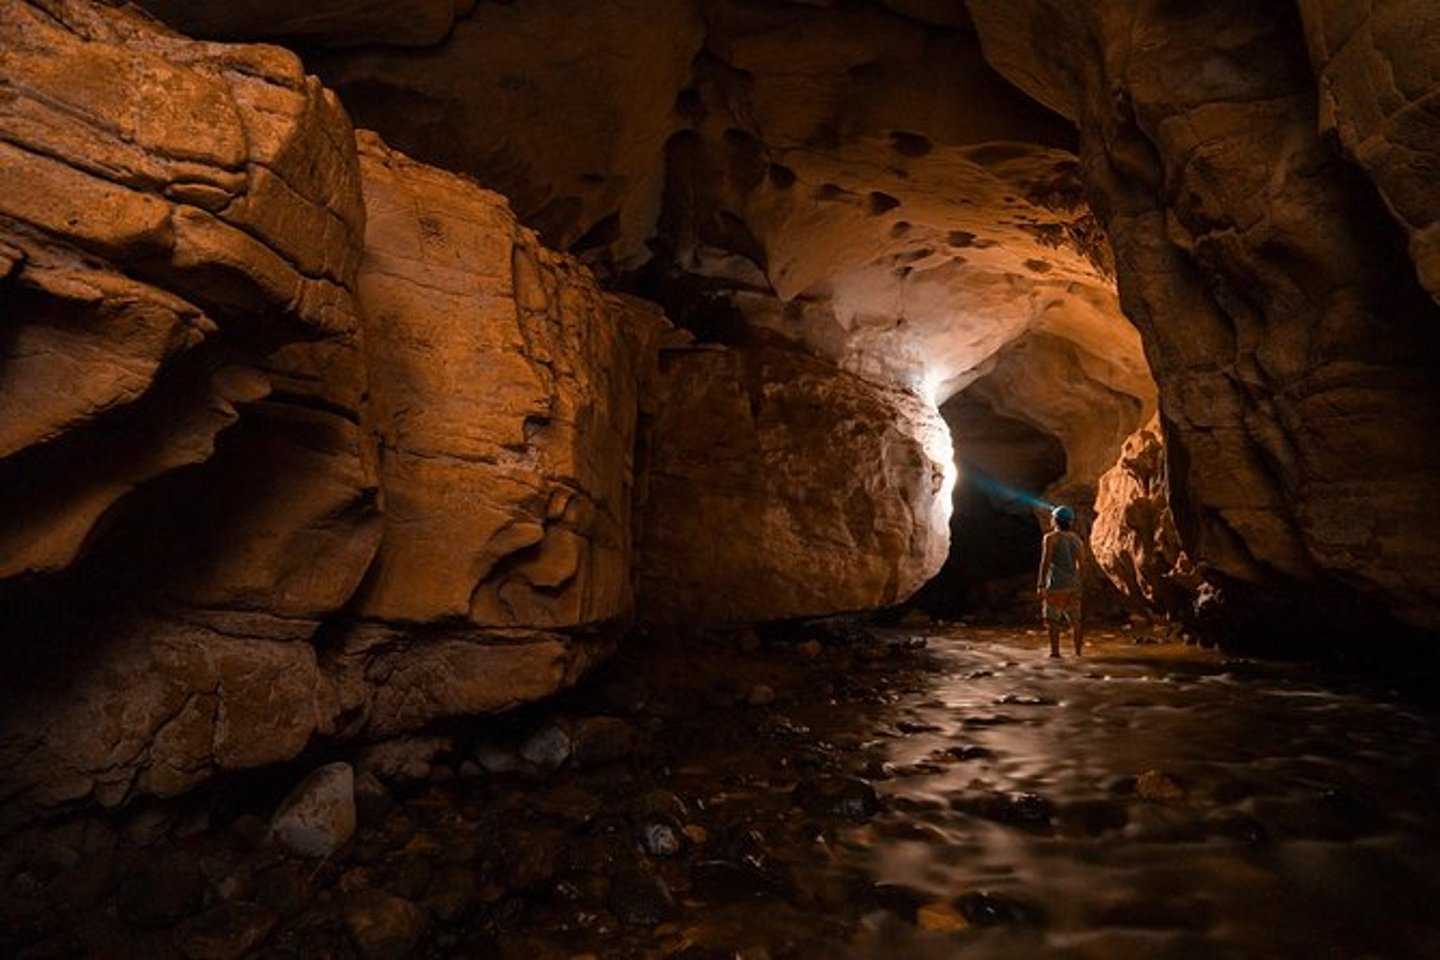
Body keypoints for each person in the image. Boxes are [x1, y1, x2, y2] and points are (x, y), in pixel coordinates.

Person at [1037, 504, 1085, 657]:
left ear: (1055, 520)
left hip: (1055, 585)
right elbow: (1082, 564)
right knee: (1075, 621)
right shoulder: (1077, 539)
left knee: (1052, 621)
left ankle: (1055, 653)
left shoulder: (1050, 538)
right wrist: (1079, 584)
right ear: (1070, 522)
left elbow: (1045, 562)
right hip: (1073, 585)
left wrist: (1041, 584)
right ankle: (1078, 653)